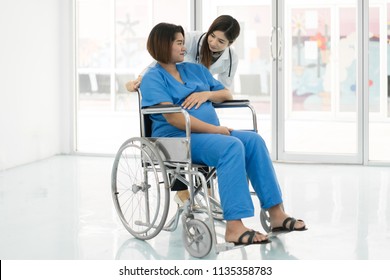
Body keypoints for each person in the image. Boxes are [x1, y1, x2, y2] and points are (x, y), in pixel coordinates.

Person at [140, 22, 307, 245]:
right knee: (231, 146)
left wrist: (206, 95)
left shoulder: (195, 70)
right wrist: (216, 130)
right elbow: (174, 118)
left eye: (183, 42)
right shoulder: (153, 77)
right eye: (179, 43)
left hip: (208, 136)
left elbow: (225, 93)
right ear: (163, 45)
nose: (184, 47)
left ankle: (276, 213)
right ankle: (234, 227)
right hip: (176, 140)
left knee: (253, 141)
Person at [130, 15, 240, 206]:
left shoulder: (217, 63)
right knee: (194, 133)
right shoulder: (186, 43)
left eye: (221, 41)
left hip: (198, 97)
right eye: (212, 36)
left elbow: (225, 91)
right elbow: (160, 61)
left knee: (228, 140)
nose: (213, 43)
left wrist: (206, 95)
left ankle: (207, 193)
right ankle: (184, 193)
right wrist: (138, 79)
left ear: (230, 44)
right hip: (178, 125)